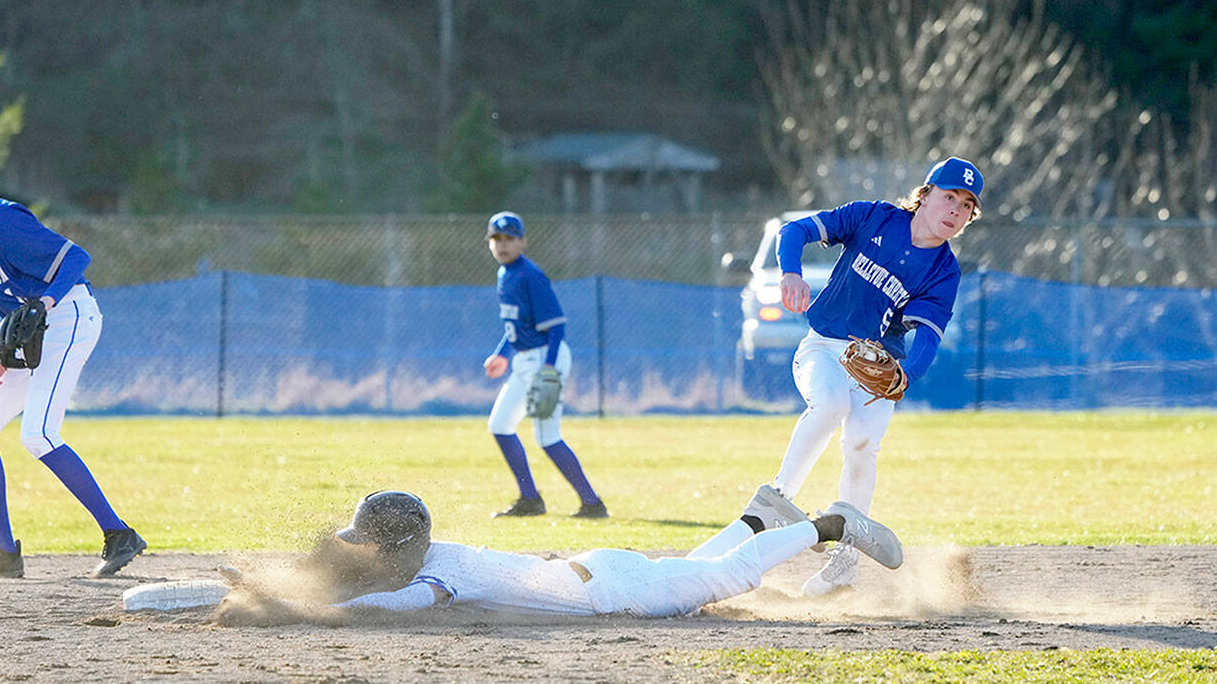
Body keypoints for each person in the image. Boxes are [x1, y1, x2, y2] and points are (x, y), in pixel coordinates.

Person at [213, 486, 903, 626]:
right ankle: (757, 514)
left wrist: (307, 613)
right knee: (691, 571)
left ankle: (829, 524)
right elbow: (358, 567)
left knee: (729, 577)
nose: (357, 546)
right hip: (598, 568)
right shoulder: (430, 551)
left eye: (366, 537)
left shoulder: (435, 574)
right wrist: (281, 584)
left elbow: (402, 602)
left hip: (611, 592)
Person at [0, 140, 146, 579]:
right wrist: (3, 360)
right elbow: (14, 317)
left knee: (39, 433)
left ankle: (119, 534)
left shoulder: (4, 219)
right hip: (41, 331)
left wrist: (46, 302)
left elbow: (77, 259)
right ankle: (4, 553)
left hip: (69, 315)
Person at [766, 156, 983, 597]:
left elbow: (926, 337)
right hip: (824, 347)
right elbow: (795, 231)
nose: (954, 211)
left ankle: (842, 566)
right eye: (948, 197)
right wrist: (791, 272)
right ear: (924, 196)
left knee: (863, 447)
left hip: (879, 366)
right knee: (830, 405)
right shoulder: (873, 216)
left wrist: (907, 374)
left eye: (966, 206)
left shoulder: (944, 270)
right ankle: (778, 500)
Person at [481, 211, 607, 519]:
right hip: (525, 360)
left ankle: (592, 504)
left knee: (547, 437)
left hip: (544, 357)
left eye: (510, 238)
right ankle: (530, 499)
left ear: (523, 241)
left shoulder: (530, 275)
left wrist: (549, 369)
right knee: (500, 426)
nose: (503, 244)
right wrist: (502, 354)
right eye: (496, 238)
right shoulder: (505, 274)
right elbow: (516, 325)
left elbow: (556, 327)